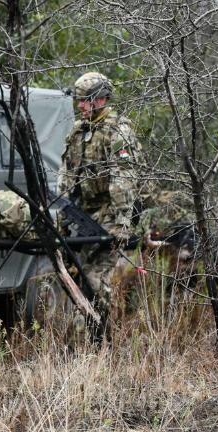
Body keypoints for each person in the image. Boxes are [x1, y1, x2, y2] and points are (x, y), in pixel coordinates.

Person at [56, 71, 141, 330]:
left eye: (85, 100)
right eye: (79, 101)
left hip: (111, 214)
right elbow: (66, 174)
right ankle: (84, 334)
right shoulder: (78, 131)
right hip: (83, 215)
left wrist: (122, 224)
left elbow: (123, 178)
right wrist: (61, 216)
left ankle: (94, 337)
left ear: (100, 99)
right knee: (72, 275)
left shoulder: (118, 131)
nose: (80, 106)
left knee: (93, 279)